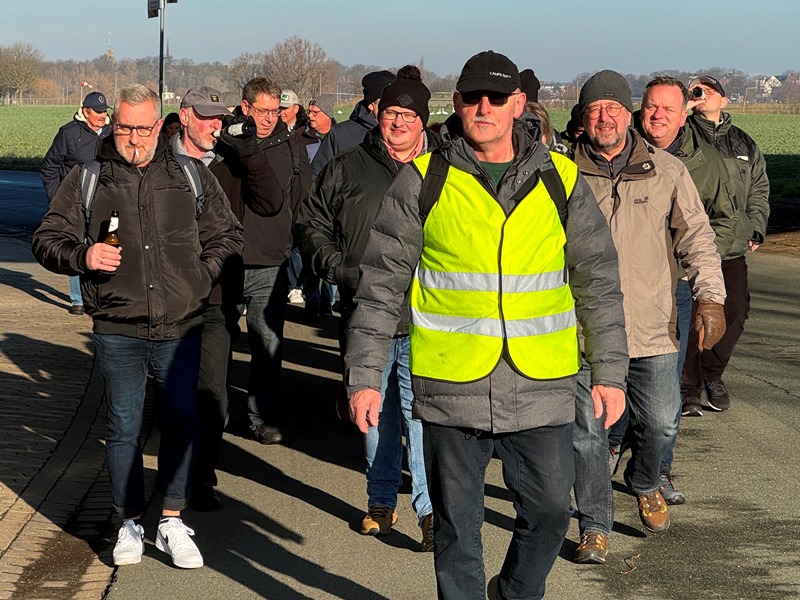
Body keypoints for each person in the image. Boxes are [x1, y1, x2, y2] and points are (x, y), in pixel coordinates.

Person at [344, 51, 629, 600]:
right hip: (451, 384)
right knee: (456, 528)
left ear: (517, 104)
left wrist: (610, 371)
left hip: (542, 383)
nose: (484, 107)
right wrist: (364, 375)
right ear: (456, 103)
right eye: (472, 97)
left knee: (550, 512)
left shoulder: (561, 178)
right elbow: (380, 285)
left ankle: (513, 592)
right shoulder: (423, 180)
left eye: (496, 98)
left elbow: (598, 280)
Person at [32, 84, 244, 569]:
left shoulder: (189, 174)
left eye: (143, 128)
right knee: (123, 428)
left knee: (181, 423)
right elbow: (47, 238)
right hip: (117, 326)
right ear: (113, 124)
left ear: (159, 125)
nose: (133, 137)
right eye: (124, 127)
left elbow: (228, 233)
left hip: (180, 326)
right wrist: (83, 255)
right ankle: (128, 522)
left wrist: (201, 275)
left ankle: (171, 520)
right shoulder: (89, 177)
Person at [568, 70, 727, 564]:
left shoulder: (666, 170)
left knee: (660, 423)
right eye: (595, 109)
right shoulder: (561, 173)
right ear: (584, 118)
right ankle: (594, 526)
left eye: (613, 108)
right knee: (587, 437)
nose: (605, 117)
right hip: (582, 331)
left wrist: (710, 298)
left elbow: (697, 237)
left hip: (651, 325)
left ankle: (643, 480)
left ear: (627, 113)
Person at [296, 66, 438, 552]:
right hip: (364, 312)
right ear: (378, 114)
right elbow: (311, 223)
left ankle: (429, 510)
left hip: (424, 314)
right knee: (373, 411)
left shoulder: (442, 172)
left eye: (409, 116)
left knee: (420, 414)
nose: (398, 122)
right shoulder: (346, 167)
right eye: (392, 112)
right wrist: (337, 267)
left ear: (423, 121)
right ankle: (380, 501)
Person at [171, 86, 283, 510]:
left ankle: (201, 478)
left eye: (219, 117)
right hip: (168, 296)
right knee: (171, 389)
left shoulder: (233, 159)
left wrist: (249, 152)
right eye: (205, 117)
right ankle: (172, 476)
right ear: (184, 116)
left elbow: (271, 203)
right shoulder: (161, 160)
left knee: (212, 393)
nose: (214, 126)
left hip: (218, 295)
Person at [681, 75, 770, 414]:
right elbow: (647, 125)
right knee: (689, 317)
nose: (701, 94)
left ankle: (711, 373)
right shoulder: (681, 134)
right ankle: (688, 389)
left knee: (735, 311)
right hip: (689, 240)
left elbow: (758, 187)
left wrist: (755, 226)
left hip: (730, 243)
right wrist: (685, 106)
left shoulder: (743, 143)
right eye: (695, 90)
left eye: (708, 90)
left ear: (725, 100)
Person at [234, 77, 312, 443]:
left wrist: (290, 242)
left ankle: (262, 417)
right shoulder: (227, 142)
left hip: (270, 261)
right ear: (245, 107)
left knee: (267, 345)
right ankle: (212, 411)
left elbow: (303, 201)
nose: (269, 118)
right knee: (216, 344)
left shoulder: (292, 149)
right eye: (262, 111)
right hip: (227, 259)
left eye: (274, 111)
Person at [40, 91, 111, 315]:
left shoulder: (112, 132)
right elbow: (50, 167)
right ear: (86, 111)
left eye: (104, 111)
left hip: (105, 200)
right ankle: (78, 299)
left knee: (104, 246)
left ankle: (101, 295)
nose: (102, 115)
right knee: (77, 246)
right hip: (76, 202)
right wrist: (57, 200)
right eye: (98, 111)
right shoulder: (68, 133)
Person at [310, 69, 395, 176]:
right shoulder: (340, 135)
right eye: (385, 100)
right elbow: (318, 176)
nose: (392, 106)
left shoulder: (404, 133)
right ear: (371, 104)